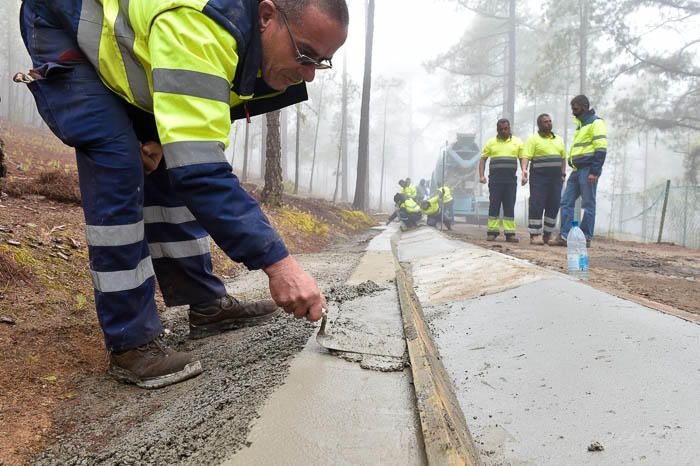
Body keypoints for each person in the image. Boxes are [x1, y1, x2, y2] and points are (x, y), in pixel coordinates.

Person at [18, 0, 349, 389]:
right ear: (266, 16)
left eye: (321, 62)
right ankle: (131, 344)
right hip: (62, 22)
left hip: (140, 49)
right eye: (305, 54)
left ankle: (205, 305)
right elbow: (202, 171)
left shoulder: (247, 43)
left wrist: (156, 134)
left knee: (172, 161)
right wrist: (280, 265)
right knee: (120, 163)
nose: (309, 75)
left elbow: (188, 130)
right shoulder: (201, 27)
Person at [555, 95, 608, 247]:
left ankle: (585, 237)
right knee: (566, 202)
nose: (573, 112)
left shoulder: (596, 123)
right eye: (572, 109)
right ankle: (565, 236)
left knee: (588, 204)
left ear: (584, 106)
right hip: (577, 170)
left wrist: (595, 172)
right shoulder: (581, 125)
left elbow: (601, 149)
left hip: (588, 170)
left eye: (575, 108)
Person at [521, 114, 566, 245]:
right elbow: (526, 156)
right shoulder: (533, 140)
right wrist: (524, 170)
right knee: (537, 204)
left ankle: (548, 234)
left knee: (554, 205)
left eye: (550, 121)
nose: (548, 123)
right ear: (539, 125)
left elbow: (563, 158)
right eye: (545, 122)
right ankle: (535, 235)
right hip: (539, 178)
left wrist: (563, 174)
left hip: (556, 179)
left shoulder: (559, 139)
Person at [479, 119, 523, 243]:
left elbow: (522, 158)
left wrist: (525, 173)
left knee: (509, 206)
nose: (503, 131)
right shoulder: (491, 143)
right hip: (495, 181)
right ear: (497, 130)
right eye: (501, 129)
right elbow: (483, 159)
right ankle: (492, 232)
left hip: (510, 181)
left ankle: (510, 234)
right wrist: (481, 175)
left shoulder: (517, 142)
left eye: (506, 129)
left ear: (509, 128)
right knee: (494, 205)